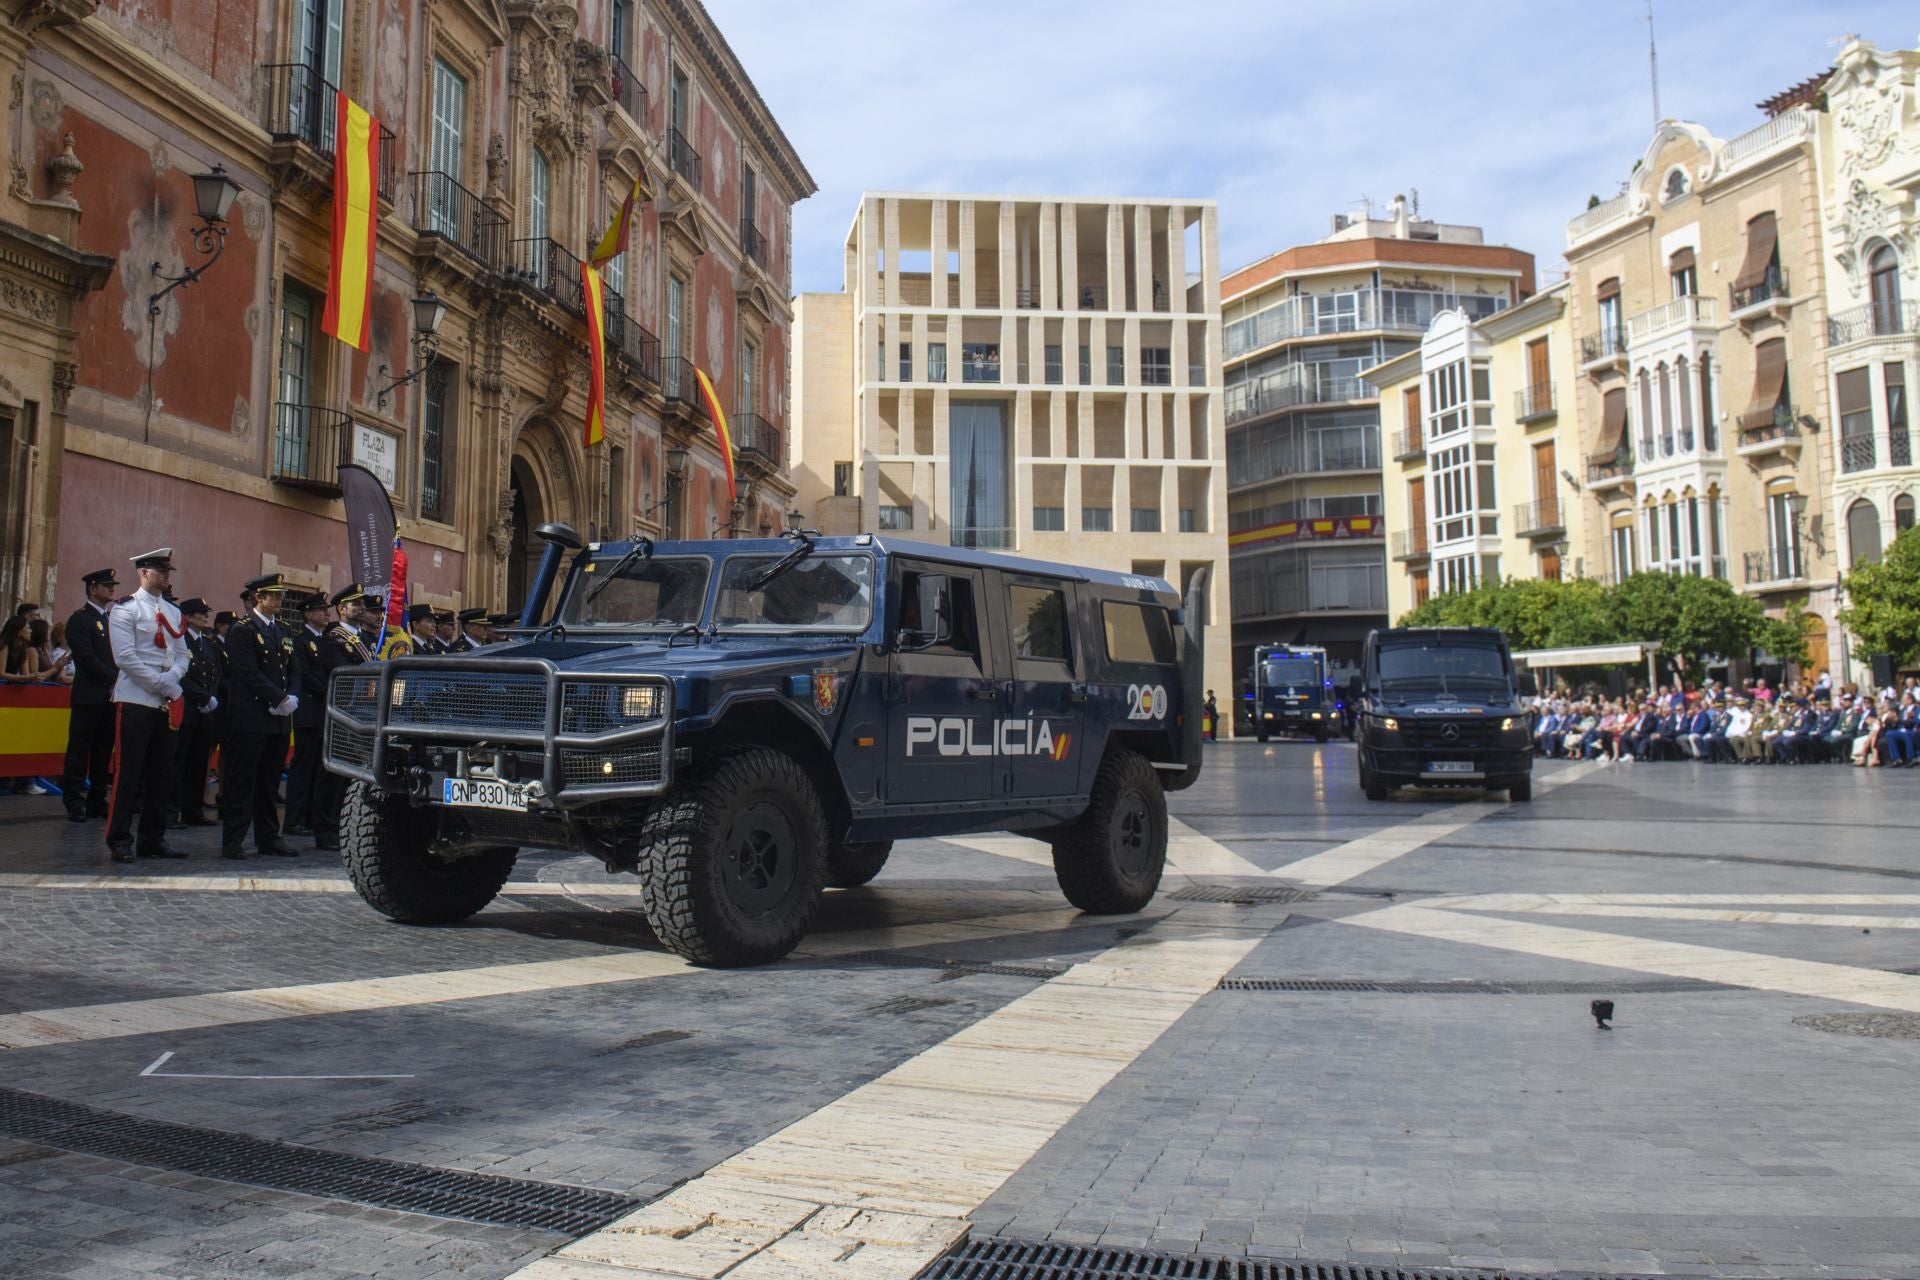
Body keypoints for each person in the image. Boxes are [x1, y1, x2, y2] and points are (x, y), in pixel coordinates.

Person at [103, 548, 191, 863]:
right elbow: (124, 657)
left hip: (166, 701)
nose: (168, 575)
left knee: (161, 773)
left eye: (169, 570)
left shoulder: (174, 612)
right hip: (136, 698)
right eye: (161, 570)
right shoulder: (125, 609)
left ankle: (153, 838)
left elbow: (183, 654)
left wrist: (175, 677)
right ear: (143, 572)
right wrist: (158, 683)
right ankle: (119, 838)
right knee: (129, 772)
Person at [221, 573, 299, 860]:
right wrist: (277, 697)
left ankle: (268, 837)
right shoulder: (242, 630)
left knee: (269, 783)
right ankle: (233, 840)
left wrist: (292, 695)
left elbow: (294, 669)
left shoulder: (284, 630)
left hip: (278, 718)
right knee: (243, 782)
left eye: (281, 595)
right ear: (259, 597)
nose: (279, 600)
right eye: (274, 595)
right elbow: (247, 672)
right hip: (251, 717)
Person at [311, 583, 376, 853]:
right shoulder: (332, 640)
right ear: (342, 609)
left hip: (361, 716)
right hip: (342, 715)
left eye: (362, 605)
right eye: (356, 605)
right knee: (332, 775)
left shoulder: (363, 640)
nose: (361, 609)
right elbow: (345, 674)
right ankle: (324, 829)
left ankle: (341, 824)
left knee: (351, 774)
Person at [59, 567, 120, 822]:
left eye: (112, 585)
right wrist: (114, 677)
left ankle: (97, 798)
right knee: (80, 748)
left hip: (108, 696)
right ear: (92, 588)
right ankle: (74, 800)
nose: (111, 589)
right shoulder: (80, 619)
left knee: (103, 749)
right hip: (89, 694)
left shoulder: (111, 619)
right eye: (106, 585)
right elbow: (86, 658)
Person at [169, 598, 220, 827]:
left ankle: (193, 810)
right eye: (200, 613)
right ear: (187, 617)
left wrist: (210, 696)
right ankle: (171, 811)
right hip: (187, 708)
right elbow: (182, 676)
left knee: (199, 765)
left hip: (204, 711)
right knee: (178, 763)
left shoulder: (207, 644)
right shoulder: (180, 641)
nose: (205, 617)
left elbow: (214, 673)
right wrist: (202, 697)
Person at [283, 591, 330, 837]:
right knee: (302, 768)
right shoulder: (300, 640)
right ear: (308, 614)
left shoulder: (327, 640)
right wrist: (331, 690)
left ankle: (311, 817)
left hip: (324, 712)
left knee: (317, 769)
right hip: (309, 711)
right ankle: (294, 819)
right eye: (321, 610)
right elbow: (304, 674)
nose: (326, 613)